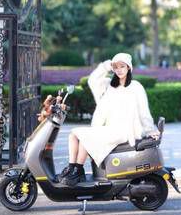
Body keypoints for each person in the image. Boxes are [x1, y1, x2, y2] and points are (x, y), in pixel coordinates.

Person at [39, 53, 160, 186]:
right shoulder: (109, 85)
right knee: (73, 134)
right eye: (116, 67)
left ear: (129, 68)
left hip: (125, 131)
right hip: (110, 128)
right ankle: (73, 167)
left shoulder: (136, 87)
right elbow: (92, 80)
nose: (119, 69)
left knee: (86, 137)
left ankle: (78, 169)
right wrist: (106, 66)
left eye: (122, 66)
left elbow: (144, 111)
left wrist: (150, 130)